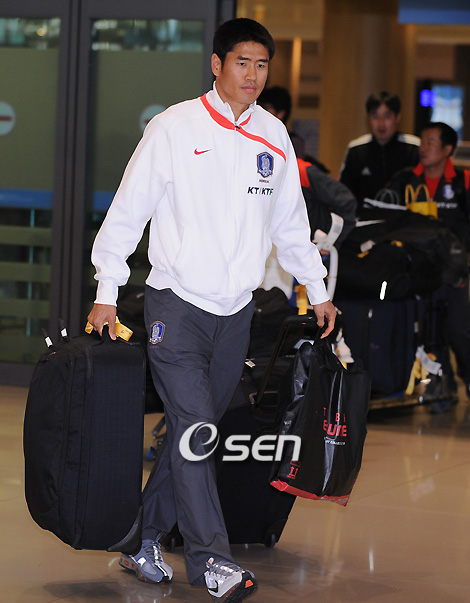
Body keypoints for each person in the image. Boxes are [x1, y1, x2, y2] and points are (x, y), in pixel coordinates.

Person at [87, 17, 336, 603]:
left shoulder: (273, 135)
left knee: (193, 432)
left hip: (236, 314)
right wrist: (107, 288)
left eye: (262, 64)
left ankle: (142, 541)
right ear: (218, 65)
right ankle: (213, 561)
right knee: (197, 429)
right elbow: (128, 210)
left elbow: (290, 224)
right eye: (242, 62)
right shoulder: (174, 128)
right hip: (176, 306)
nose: (253, 75)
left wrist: (317, 288)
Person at [388, 121, 470, 398]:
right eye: (422, 142)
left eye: (430, 143)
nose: (423, 148)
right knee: (428, 329)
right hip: (418, 270)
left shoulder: (463, 181)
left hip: (454, 269)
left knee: (458, 330)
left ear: (447, 149)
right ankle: (442, 384)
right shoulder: (405, 180)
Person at [339, 91, 420, 212]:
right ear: (369, 118)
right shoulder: (356, 150)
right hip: (364, 219)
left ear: (398, 117)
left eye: (387, 117)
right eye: (375, 117)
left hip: (405, 219)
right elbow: (343, 191)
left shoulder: (414, 148)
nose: (381, 123)